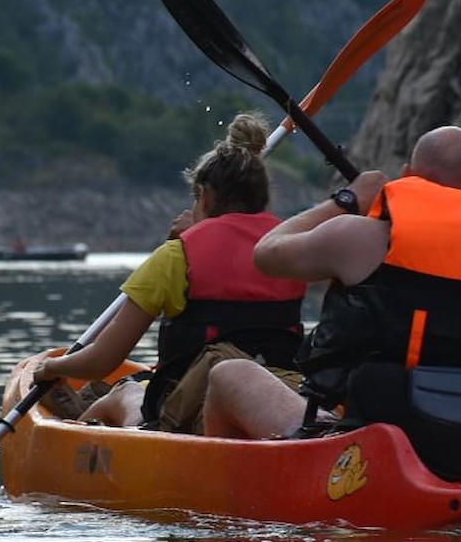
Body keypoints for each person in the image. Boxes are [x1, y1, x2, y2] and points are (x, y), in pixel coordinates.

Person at [200, 125, 461, 482]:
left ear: (407, 177)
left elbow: (266, 253)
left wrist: (346, 199)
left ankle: (232, 503)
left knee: (230, 373)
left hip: (379, 441)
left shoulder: (359, 239)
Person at [35, 113, 308, 432]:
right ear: (262, 198)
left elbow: (103, 361)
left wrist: (51, 368)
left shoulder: (176, 256)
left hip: (188, 412)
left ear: (203, 197)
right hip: (279, 396)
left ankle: (86, 425)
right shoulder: (293, 249)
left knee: (127, 391)